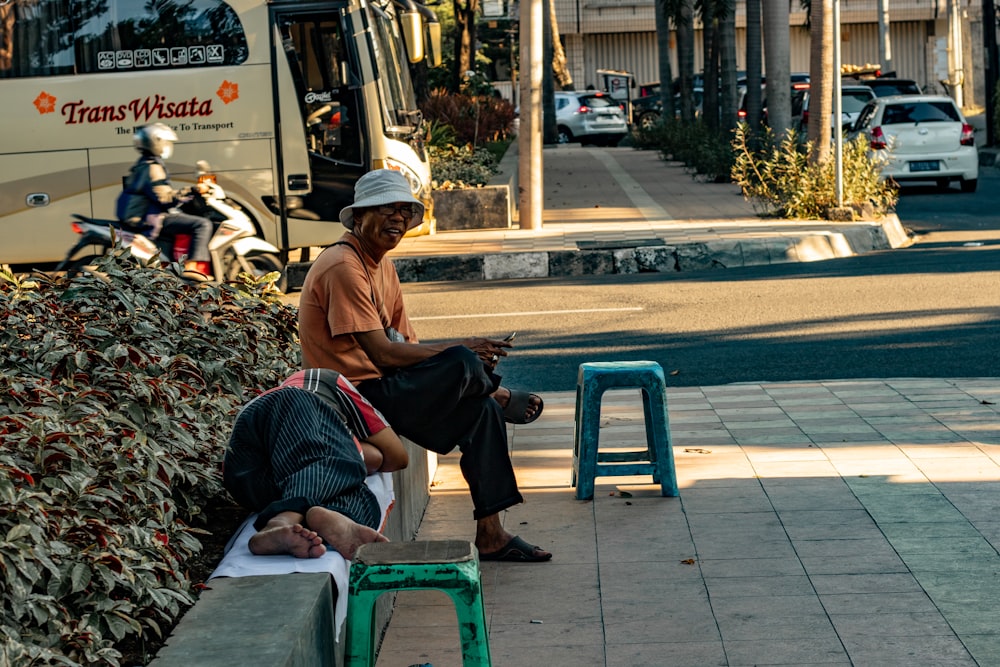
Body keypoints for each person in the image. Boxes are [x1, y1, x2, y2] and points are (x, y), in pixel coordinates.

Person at [298, 169, 552, 563]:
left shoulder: (380, 264)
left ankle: (491, 535)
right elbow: (382, 354)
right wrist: (460, 351)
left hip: (390, 386)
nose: (398, 219)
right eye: (387, 209)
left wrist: (450, 369)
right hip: (354, 398)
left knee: (480, 412)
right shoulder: (342, 266)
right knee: (463, 359)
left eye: (405, 211)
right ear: (361, 216)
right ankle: (497, 393)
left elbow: (407, 345)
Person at [223, 368, 409, 560]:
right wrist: (346, 444)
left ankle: (306, 524)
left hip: (258, 489)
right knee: (339, 463)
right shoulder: (319, 380)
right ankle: (282, 519)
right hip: (257, 442)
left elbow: (394, 459)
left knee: (357, 497)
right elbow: (395, 455)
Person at [116, 122, 215, 281]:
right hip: (151, 217)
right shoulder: (152, 167)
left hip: (146, 214)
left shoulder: (144, 164)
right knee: (202, 224)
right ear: (156, 142)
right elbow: (164, 198)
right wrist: (191, 191)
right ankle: (191, 267)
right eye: (166, 142)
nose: (169, 146)